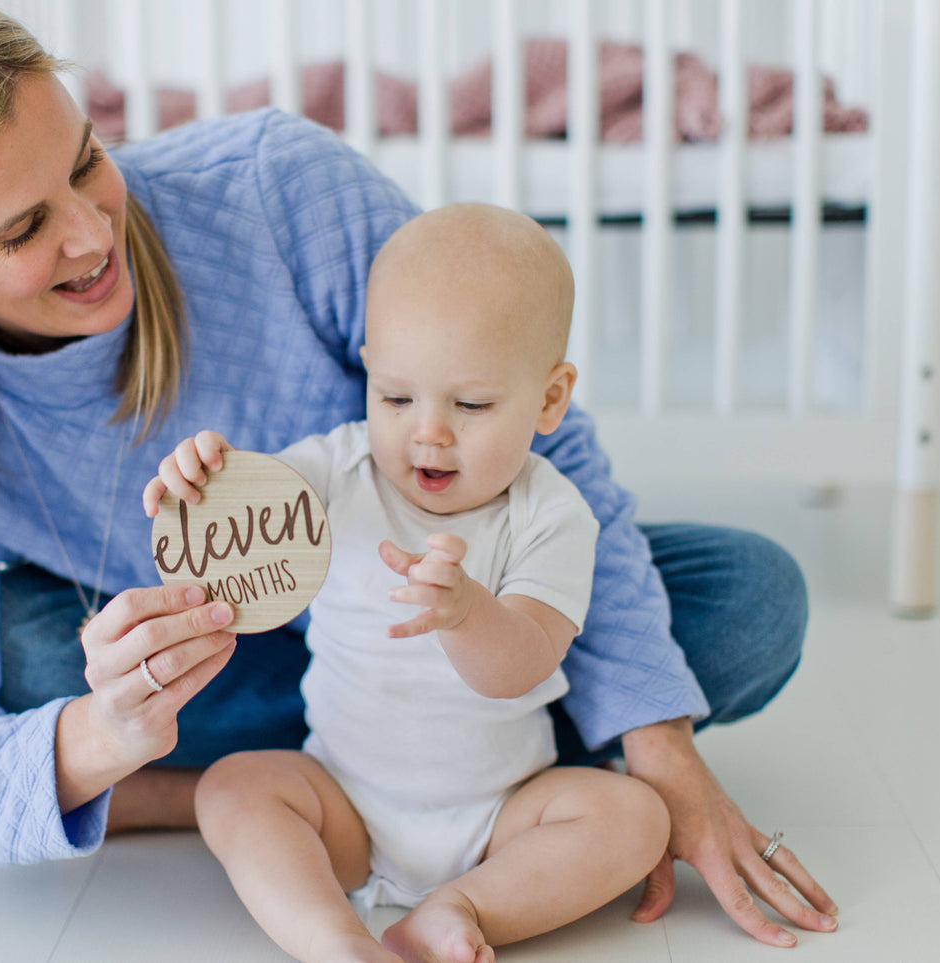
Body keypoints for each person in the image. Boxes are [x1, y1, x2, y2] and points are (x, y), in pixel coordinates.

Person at [0, 0, 836, 947]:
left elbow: (547, 455)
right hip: (215, 684)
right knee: (33, 661)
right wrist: (107, 735)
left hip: (431, 636)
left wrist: (663, 756)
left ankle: (394, 776)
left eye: (88, 159)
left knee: (743, 601)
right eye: (21, 228)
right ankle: (258, 787)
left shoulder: (270, 187)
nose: (96, 230)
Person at [142, 203, 670, 963]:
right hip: (343, 802)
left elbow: (519, 664)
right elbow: (248, 512)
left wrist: (465, 611)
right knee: (231, 788)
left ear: (549, 398)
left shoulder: (551, 512)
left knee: (633, 816)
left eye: (472, 404)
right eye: (395, 396)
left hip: (502, 816)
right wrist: (200, 480)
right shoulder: (336, 466)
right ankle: (334, 938)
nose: (427, 430)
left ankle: (463, 907)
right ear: (367, 372)